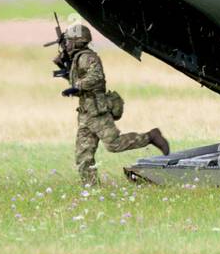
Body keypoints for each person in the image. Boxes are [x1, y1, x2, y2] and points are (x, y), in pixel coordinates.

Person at [62, 23, 169, 185]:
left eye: (69, 41)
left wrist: (76, 86)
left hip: (97, 112)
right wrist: (64, 69)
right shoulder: (77, 59)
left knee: (114, 144)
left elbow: (96, 77)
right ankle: (90, 189)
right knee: (83, 154)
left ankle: (151, 137)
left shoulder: (88, 58)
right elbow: (78, 80)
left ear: (79, 41)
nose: (67, 45)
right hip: (85, 114)